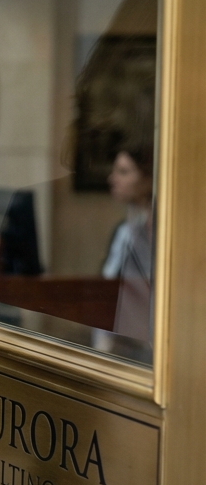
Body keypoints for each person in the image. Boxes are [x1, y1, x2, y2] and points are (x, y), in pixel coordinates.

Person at [101, 142, 153, 344]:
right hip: (118, 337)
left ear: (148, 178)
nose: (112, 179)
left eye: (123, 172)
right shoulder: (123, 230)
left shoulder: (159, 232)